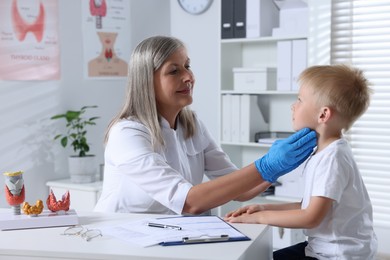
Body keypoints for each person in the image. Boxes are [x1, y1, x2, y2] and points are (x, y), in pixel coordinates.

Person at [94, 35, 316, 215]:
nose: (188, 76)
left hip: (170, 236)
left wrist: (275, 169)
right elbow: (189, 202)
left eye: (187, 66)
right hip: (124, 241)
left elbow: (237, 189)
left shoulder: (192, 124)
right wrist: (265, 165)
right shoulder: (127, 134)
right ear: (146, 81)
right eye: (174, 70)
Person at [225, 64, 378, 259]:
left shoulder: (333, 159)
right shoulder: (324, 152)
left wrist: (258, 218)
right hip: (322, 248)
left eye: (299, 100)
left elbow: (310, 217)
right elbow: (307, 207)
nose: (293, 106)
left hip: (338, 255)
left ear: (323, 114)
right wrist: (263, 208)